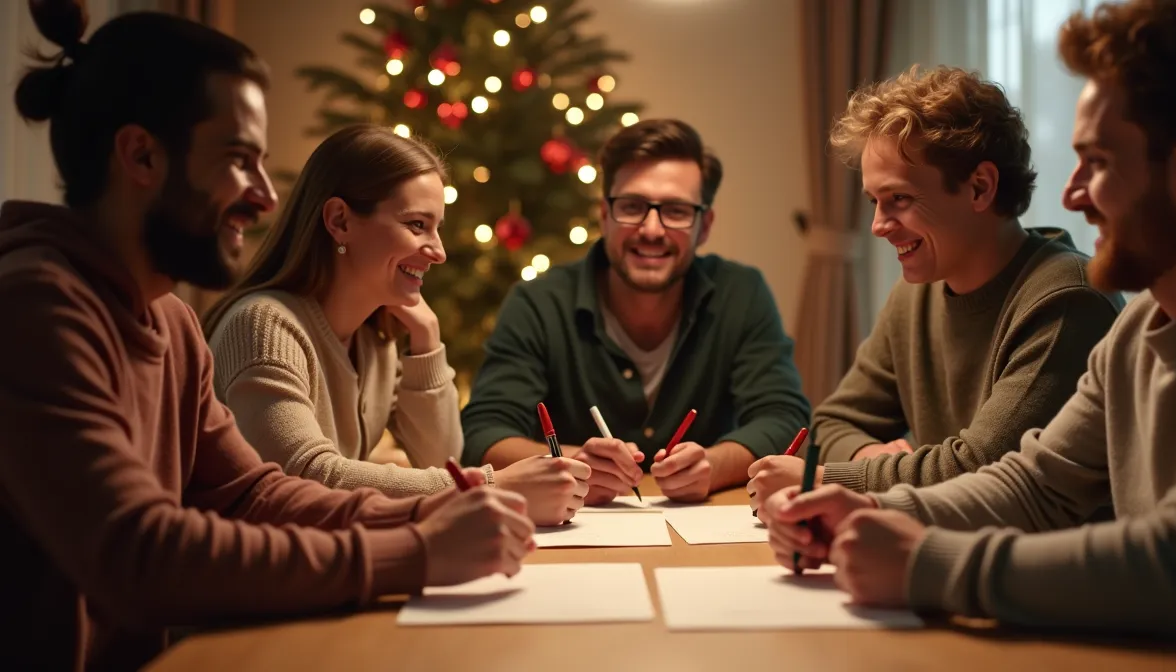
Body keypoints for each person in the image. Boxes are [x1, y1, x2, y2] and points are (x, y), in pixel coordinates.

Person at [762, 0, 1176, 668]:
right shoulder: (1140, 326)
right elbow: (1035, 485)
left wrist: (926, 564)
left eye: (1098, 162)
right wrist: (868, 510)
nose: (1074, 194)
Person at [0, 5, 534, 670]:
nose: (266, 197)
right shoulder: (35, 305)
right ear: (141, 155)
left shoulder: (168, 318)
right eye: (238, 160)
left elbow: (253, 493)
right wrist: (418, 551)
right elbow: (138, 555)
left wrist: (431, 519)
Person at [747, 66, 1123, 515]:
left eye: (899, 199)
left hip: (1043, 578)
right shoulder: (916, 294)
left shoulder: (1067, 300)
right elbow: (831, 422)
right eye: (874, 201)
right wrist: (872, 460)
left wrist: (833, 477)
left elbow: (984, 471)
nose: (878, 226)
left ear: (980, 187)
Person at [204, 124, 590, 527]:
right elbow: (306, 477)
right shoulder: (263, 325)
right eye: (417, 225)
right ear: (340, 221)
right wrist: (491, 486)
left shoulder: (374, 340)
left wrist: (427, 342)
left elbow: (442, 460)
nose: (438, 252)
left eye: (436, 228)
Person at [461, 119, 811, 504]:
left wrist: (713, 465)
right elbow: (483, 432)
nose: (651, 229)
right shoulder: (538, 303)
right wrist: (573, 465)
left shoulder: (741, 294)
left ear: (704, 225)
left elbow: (783, 416)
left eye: (676, 211)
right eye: (632, 207)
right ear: (604, 215)